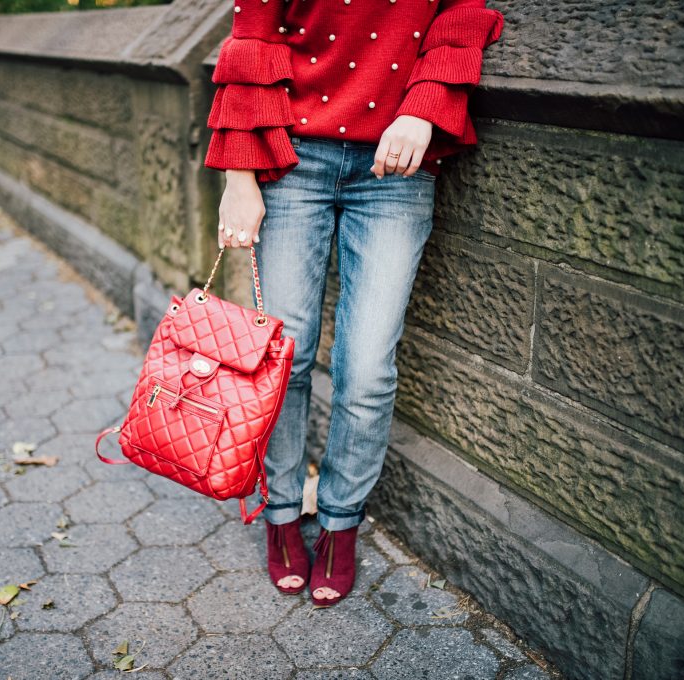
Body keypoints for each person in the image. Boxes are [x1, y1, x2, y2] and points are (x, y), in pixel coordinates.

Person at [204, 0, 504, 607]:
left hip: (396, 170)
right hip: (294, 162)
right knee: (281, 360)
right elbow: (252, 37)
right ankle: (282, 513)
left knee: (366, 370)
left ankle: (341, 526)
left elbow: (462, 14)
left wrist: (423, 110)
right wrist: (238, 178)